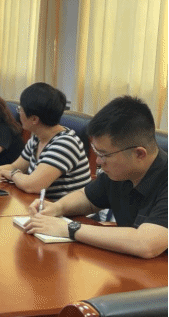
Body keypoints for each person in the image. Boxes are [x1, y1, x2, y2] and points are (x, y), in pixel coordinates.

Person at [26, 96, 167, 258]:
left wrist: (69, 228)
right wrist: (57, 208)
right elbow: (87, 198)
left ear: (139, 154)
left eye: (104, 155)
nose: (98, 161)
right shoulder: (120, 171)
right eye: (96, 152)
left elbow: (146, 244)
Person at [0, 82, 91, 199]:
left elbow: (33, 186)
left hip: (62, 209)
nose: (19, 113)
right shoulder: (37, 137)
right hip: (39, 204)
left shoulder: (65, 144)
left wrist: (13, 175)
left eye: (21, 109)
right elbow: (16, 167)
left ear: (34, 119)